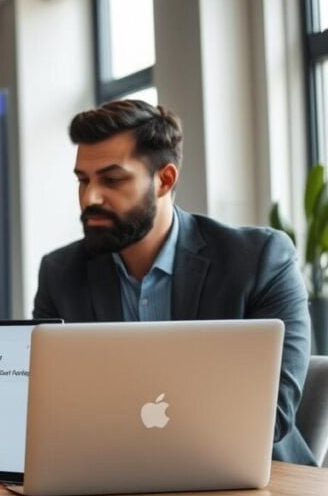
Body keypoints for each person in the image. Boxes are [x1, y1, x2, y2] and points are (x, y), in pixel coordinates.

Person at [32, 99, 316, 466]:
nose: (90, 197)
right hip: (113, 481)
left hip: (257, 483)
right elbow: (46, 409)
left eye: (112, 179)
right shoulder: (60, 273)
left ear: (164, 180)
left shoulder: (259, 260)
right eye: (82, 180)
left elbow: (271, 415)